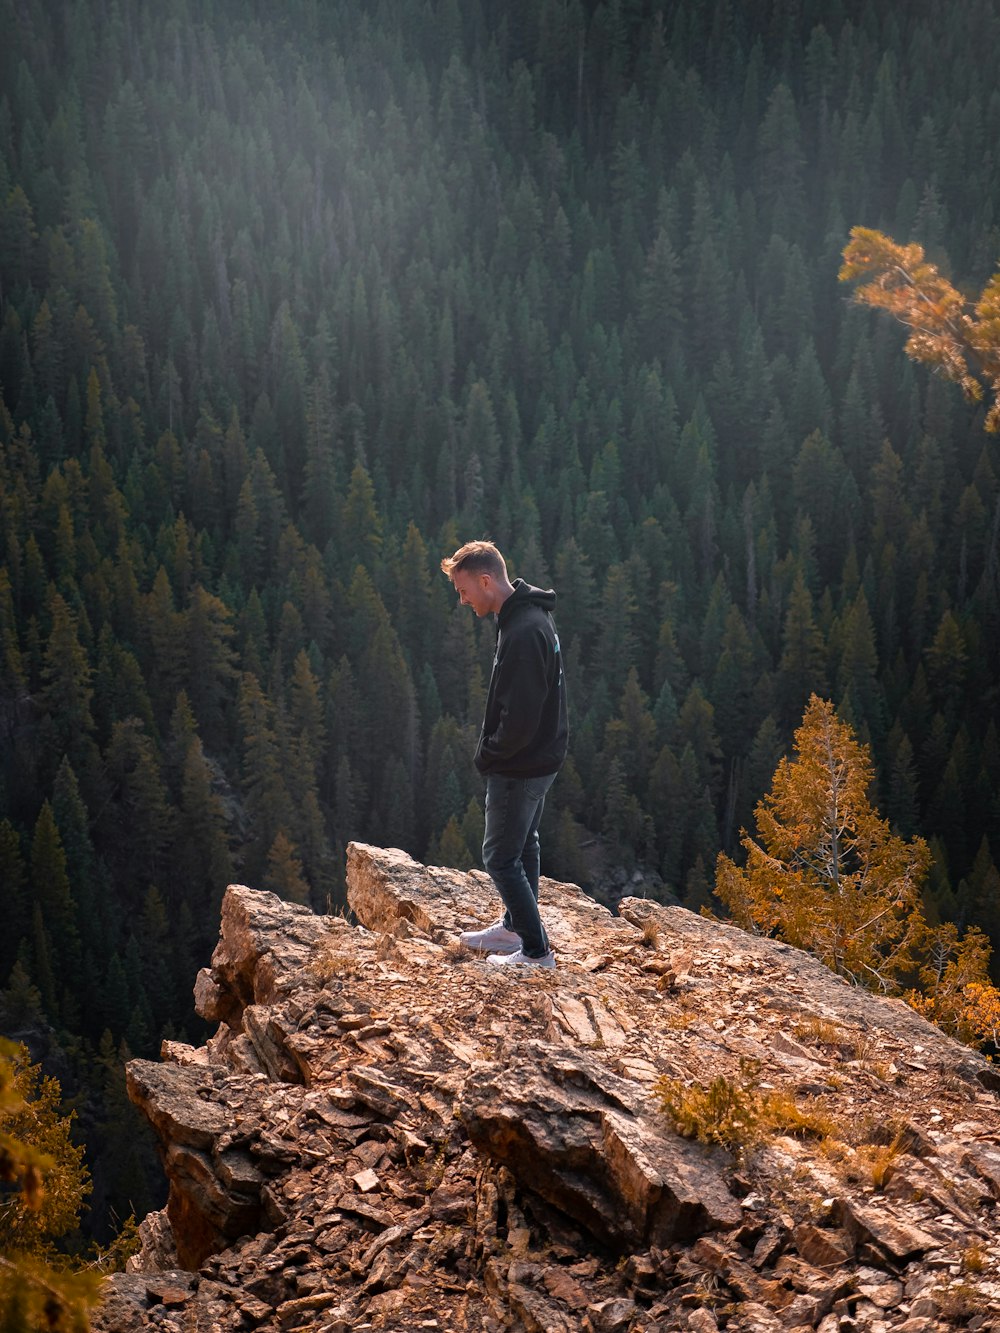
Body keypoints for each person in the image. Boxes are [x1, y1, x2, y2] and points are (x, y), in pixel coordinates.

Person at [440, 540, 568, 969]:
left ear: (485, 580)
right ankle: (515, 927)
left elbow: (521, 718)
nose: (462, 600)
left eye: (463, 591)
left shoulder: (524, 630)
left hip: (521, 764)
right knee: (524, 843)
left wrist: (489, 756)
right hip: (538, 758)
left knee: (499, 855)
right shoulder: (526, 618)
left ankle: (536, 951)